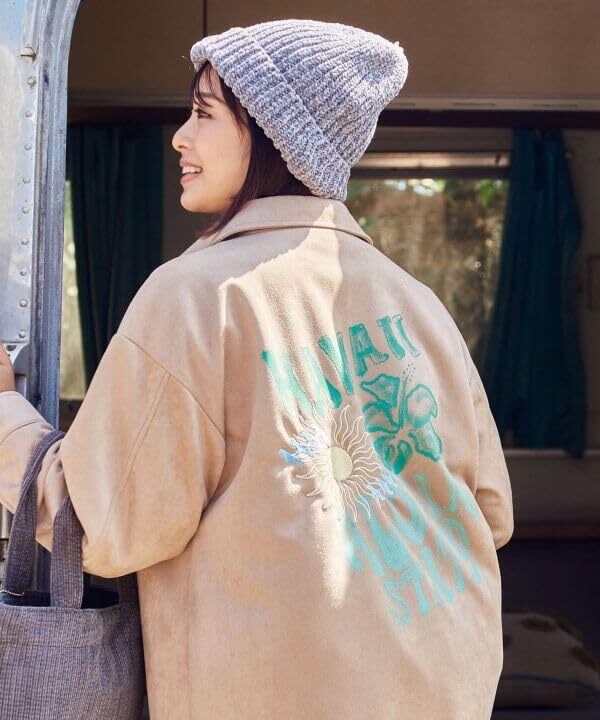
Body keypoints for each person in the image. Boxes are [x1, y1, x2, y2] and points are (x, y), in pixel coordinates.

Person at [0, 18, 514, 720]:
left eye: (205, 113)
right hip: (447, 684)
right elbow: (490, 512)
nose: (180, 137)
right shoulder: (418, 302)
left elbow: (107, 524)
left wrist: (7, 418)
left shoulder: (193, 295)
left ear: (275, 133)